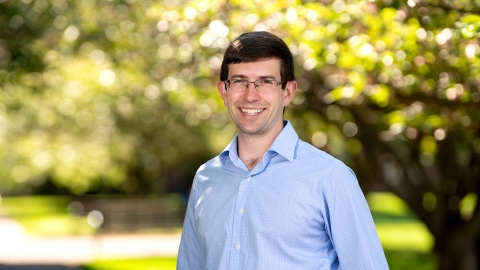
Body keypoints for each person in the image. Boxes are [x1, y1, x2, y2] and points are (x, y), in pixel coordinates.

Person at [177, 31, 389, 270]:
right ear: (224, 91)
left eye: (265, 82)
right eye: (239, 81)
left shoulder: (330, 177)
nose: (250, 95)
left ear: (287, 92)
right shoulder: (206, 178)